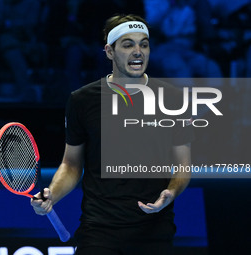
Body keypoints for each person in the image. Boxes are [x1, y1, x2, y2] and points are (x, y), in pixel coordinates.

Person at [31, 14, 194, 255]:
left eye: (144, 44)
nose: (138, 51)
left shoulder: (172, 99)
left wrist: (172, 192)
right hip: (99, 232)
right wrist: (52, 195)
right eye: (128, 44)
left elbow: (183, 166)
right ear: (109, 51)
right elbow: (71, 164)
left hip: (154, 232)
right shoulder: (81, 101)